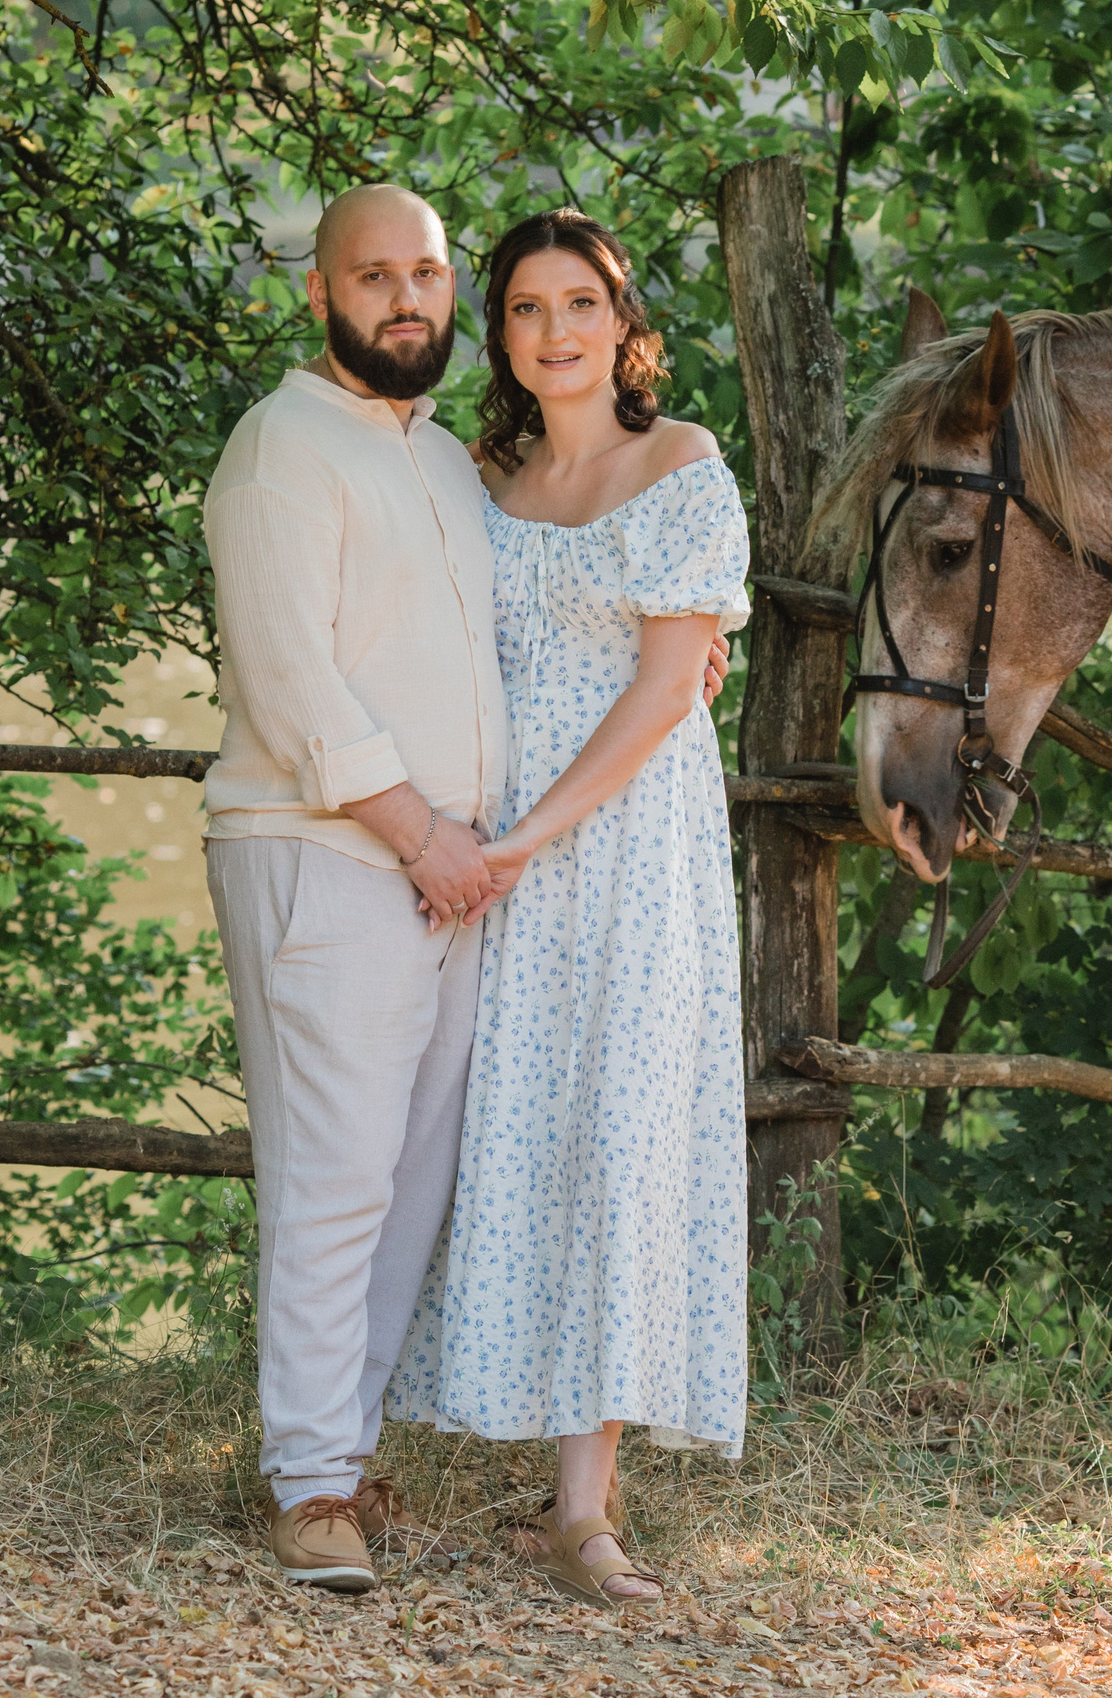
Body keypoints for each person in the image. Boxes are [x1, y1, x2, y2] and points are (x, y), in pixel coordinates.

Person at [201, 186, 727, 1594]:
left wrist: (673, 668)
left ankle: (344, 1457)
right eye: (375, 278)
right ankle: (310, 1486)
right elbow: (293, 687)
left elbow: (588, 639)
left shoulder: (443, 464)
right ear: (321, 295)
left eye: (425, 274)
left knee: (414, 1182)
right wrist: (427, 835)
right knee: (336, 1182)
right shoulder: (280, 453)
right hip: (343, 855)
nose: (405, 301)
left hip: (470, 878)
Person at [388, 208, 752, 1608]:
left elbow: (668, 690)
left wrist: (523, 841)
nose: (553, 333)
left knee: (620, 1128)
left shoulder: (683, 466)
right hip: (484, 846)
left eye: (578, 305)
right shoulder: (475, 480)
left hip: (623, 849)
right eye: (526, 310)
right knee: (491, 1122)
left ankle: (584, 1509)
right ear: (502, 336)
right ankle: (359, 1434)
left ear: (623, 322)